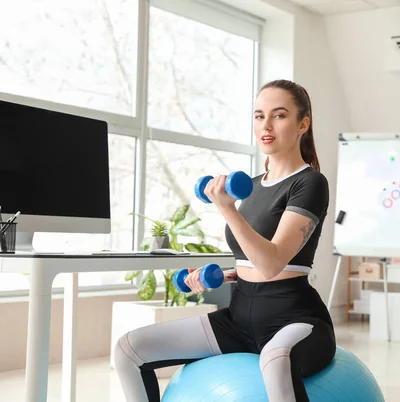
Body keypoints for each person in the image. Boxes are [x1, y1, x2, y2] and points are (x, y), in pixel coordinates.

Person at [114, 79, 336, 402]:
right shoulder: (254, 185)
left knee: (275, 362)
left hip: (295, 319)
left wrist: (227, 208)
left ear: (303, 124)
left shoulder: (310, 183)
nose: (266, 125)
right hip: (238, 318)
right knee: (128, 350)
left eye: (279, 115)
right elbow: (252, 260)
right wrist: (225, 273)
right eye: (259, 116)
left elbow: (273, 263)